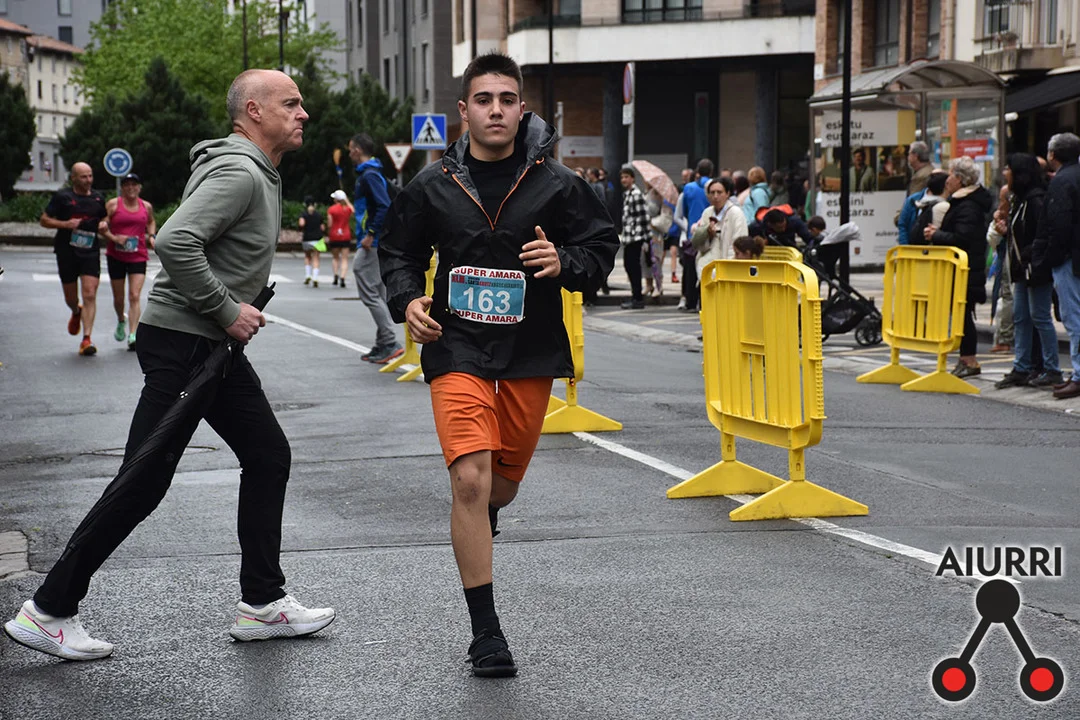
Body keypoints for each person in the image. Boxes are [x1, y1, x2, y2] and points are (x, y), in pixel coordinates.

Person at [3, 69, 334, 662]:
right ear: (254, 112)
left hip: (202, 342)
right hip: (188, 341)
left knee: (267, 455)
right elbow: (175, 240)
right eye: (291, 103)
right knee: (144, 477)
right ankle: (48, 610)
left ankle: (262, 602)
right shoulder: (239, 171)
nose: (303, 113)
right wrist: (227, 309)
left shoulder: (253, 168)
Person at [379, 52, 617, 678]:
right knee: (469, 479)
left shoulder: (558, 184)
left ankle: (482, 518)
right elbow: (398, 250)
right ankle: (486, 633)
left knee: (499, 489)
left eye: (507, 99)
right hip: (456, 345)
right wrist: (409, 301)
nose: (496, 110)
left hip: (528, 351)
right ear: (464, 110)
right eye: (483, 100)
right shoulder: (432, 184)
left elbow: (600, 248)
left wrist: (565, 262)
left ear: (521, 108)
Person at [995, 153, 1061, 390]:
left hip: (1035, 268)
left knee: (1040, 316)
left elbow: (1045, 234)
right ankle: (1022, 366)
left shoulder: (1035, 200)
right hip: (1023, 268)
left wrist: (1030, 253)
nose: (1005, 173)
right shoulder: (1021, 199)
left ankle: (1051, 368)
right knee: (1021, 317)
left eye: (1009, 169)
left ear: (1020, 173)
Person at [924, 156, 992, 378]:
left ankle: (969, 360)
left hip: (966, 269)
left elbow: (962, 238)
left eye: (952, 174)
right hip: (962, 268)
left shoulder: (968, 206)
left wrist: (936, 235)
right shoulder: (963, 202)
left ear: (961, 179)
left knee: (964, 315)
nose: (947, 178)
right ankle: (966, 359)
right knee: (962, 315)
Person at [41, 162, 108, 356]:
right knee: (71, 298)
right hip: (66, 251)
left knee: (90, 293)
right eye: (83, 177)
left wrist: (104, 225)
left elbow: (105, 218)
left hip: (90, 251)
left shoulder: (98, 197)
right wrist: (65, 224)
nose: (88, 180)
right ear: (73, 178)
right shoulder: (62, 197)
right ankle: (76, 311)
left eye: (90, 176)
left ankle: (86, 339)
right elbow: (44, 220)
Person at [1032, 132, 1080, 399]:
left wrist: (1050, 256)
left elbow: (1058, 224)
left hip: (1069, 260)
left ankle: (1079, 375)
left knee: (1074, 318)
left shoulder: (1062, 181)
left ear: (1053, 154)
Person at [348, 133, 403, 364]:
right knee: (378, 291)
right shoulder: (372, 172)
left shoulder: (369, 175)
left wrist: (371, 234)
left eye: (351, 149)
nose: (349, 153)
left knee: (364, 281)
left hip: (373, 241)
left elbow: (383, 206)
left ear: (358, 150)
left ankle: (389, 341)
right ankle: (383, 343)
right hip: (378, 239)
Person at [98, 172, 156, 351]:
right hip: (116, 256)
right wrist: (114, 238)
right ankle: (121, 319)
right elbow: (102, 226)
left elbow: (151, 222)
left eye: (134, 184)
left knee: (134, 295)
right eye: (127, 185)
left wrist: (152, 236)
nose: (131, 188)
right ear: (122, 188)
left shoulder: (146, 206)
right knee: (119, 298)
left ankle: (133, 334)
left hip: (138, 255)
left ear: (139, 187)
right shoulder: (113, 205)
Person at [691, 177, 746, 282]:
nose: (715, 196)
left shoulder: (736, 213)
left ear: (727, 194)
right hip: (707, 268)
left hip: (730, 270)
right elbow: (701, 247)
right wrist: (708, 236)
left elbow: (739, 244)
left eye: (719, 192)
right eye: (712, 193)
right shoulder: (707, 213)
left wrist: (728, 267)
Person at [620, 167, 650, 309]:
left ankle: (637, 298)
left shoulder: (636, 195)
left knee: (633, 267)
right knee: (629, 266)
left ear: (632, 178)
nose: (624, 180)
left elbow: (644, 217)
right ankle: (635, 296)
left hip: (636, 237)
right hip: (629, 237)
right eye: (622, 177)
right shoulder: (628, 194)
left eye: (626, 177)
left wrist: (647, 238)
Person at [326, 188, 354, 288]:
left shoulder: (331, 209)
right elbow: (353, 211)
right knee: (345, 259)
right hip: (345, 235)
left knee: (335, 257)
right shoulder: (347, 209)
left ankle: (335, 276)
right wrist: (347, 200)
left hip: (334, 235)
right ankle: (343, 277)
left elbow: (329, 224)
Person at [748, 206, 814, 248]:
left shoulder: (794, 221)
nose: (783, 229)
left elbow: (809, 238)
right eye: (779, 227)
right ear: (770, 225)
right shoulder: (756, 227)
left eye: (784, 226)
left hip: (790, 251)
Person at [298, 195, 325, 286]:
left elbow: (301, 224)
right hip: (317, 239)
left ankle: (307, 275)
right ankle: (315, 277)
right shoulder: (318, 215)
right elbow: (322, 228)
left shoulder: (303, 214)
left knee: (307, 257)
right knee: (316, 258)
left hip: (307, 238)